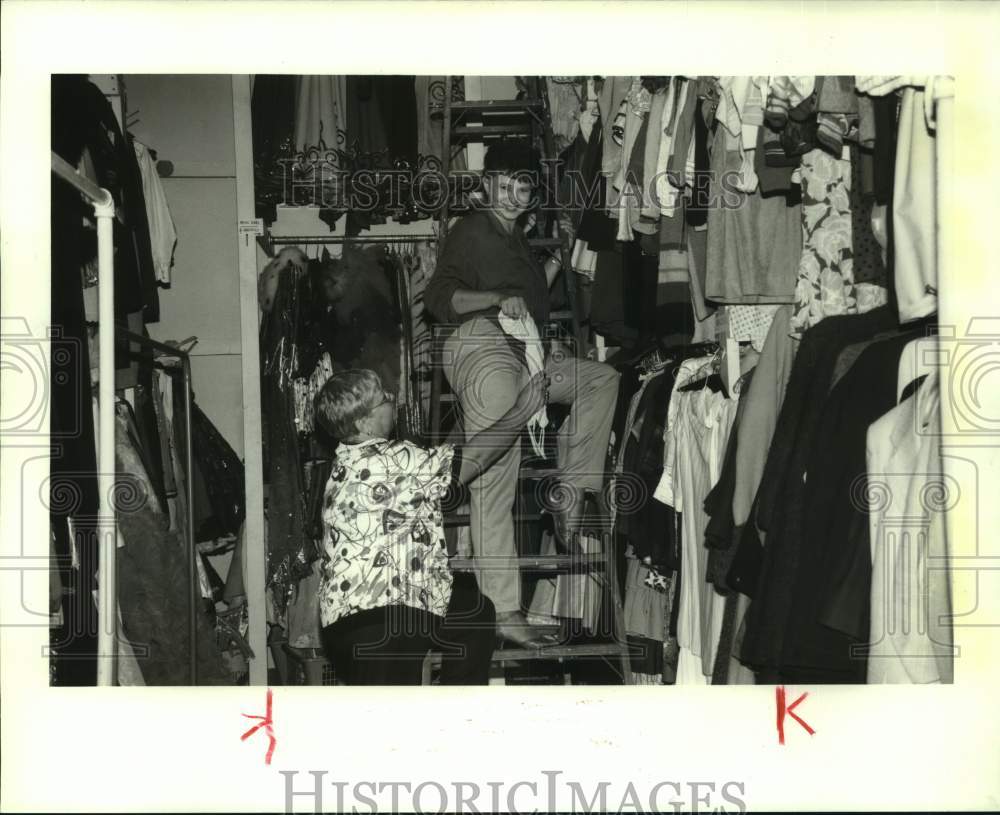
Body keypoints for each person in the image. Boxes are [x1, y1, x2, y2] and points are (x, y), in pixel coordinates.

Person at [424, 142, 621, 646]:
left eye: (524, 187)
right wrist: (495, 298)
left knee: (602, 380)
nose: (514, 196)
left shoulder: (517, 243)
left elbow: (529, 298)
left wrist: (553, 264)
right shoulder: (470, 229)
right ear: (486, 183)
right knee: (495, 474)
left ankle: (569, 496)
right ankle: (504, 610)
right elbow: (438, 298)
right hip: (482, 346)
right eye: (505, 184)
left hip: (524, 352)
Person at [314, 367, 548, 685]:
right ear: (363, 422)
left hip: (348, 622)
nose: (392, 400)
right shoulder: (395, 458)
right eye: (383, 398)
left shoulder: (339, 469)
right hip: (384, 621)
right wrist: (521, 410)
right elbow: (476, 456)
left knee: (475, 614)